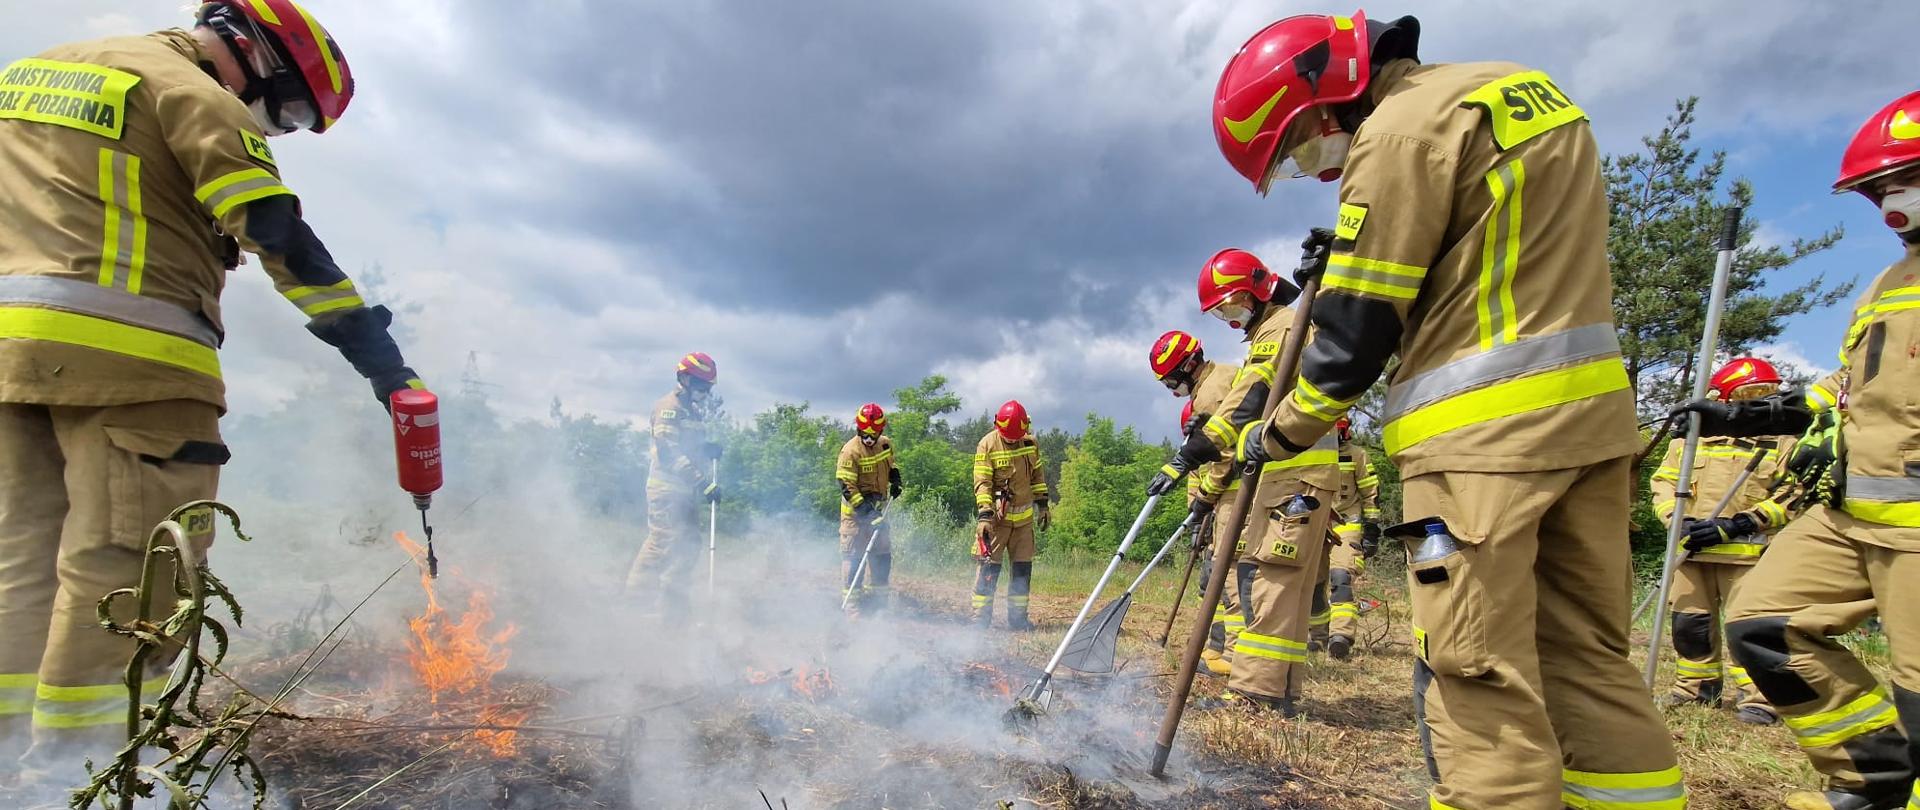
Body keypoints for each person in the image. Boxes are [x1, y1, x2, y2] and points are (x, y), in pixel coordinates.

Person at [1219, 12, 1683, 806]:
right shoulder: (1517, 93)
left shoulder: (1396, 132)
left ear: (1321, 100)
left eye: (1299, 148)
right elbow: (1484, 263)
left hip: (1476, 450)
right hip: (1592, 430)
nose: (1318, 171)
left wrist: (1278, 432)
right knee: (1587, 661)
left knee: (1470, 668)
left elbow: (1358, 330)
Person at [0, 0, 425, 779]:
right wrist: (383, 363)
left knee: (25, 558)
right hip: (136, 371)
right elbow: (275, 231)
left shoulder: (24, 77)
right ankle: (82, 772)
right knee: (135, 566)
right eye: (292, 110)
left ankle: (6, 762)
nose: (278, 127)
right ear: (256, 52)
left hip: (10, 363)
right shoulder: (189, 92)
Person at [1699, 90, 1920, 810]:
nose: (1890, 201)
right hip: (1854, 513)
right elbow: (1846, 385)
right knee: (1763, 623)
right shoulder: (1890, 281)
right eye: (1878, 188)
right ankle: (1874, 779)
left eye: (1905, 180)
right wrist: (1756, 413)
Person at [1147, 248, 1340, 716]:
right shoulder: (1274, 328)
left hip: (1291, 478)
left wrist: (1190, 456)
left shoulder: (1278, 328)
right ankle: (1278, 692)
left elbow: (1252, 399)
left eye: (1232, 307)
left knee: (1265, 582)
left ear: (1258, 289)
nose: (1232, 321)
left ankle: (1254, 694)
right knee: (1282, 587)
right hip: (1293, 478)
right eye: (1223, 313)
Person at [1649, 357, 1797, 725]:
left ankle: (1761, 698)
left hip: (1750, 554)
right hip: (1692, 551)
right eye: (1748, 394)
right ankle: (1695, 688)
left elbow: (1794, 494)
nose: (1757, 401)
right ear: (1721, 396)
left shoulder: (1781, 441)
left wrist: (1742, 523)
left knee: (1750, 628)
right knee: (1689, 624)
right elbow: (1663, 482)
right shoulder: (1690, 439)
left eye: (1765, 393)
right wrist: (1677, 520)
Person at [1149, 330, 1243, 677]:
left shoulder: (1215, 388)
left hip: (1237, 494)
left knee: (1230, 577)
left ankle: (1234, 658)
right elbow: (1199, 468)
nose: (1172, 388)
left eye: (1172, 379)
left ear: (1189, 365)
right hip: (1227, 497)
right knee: (1215, 576)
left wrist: (1204, 499)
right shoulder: (1213, 384)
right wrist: (1197, 507)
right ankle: (1219, 647)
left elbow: (1225, 458)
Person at [625, 353, 722, 620]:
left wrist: (707, 448)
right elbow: (668, 451)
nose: (705, 392)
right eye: (702, 386)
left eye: (708, 388)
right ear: (684, 379)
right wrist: (701, 481)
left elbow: (689, 447)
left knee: (689, 545)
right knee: (662, 544)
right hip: (666, 490)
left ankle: (673, 609)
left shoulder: (692, 411)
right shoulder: (669, 407)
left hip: (685, 492)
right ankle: (634, 606)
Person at [971, 400, 1049, 631]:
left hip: (1023, 524)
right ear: (998, 427)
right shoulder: (988, 444)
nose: (1014, 441)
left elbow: (1037, 476)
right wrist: (985, 515)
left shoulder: (1030, 442)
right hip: (997, 523)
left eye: (1017, 437)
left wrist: (1043, 505)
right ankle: (979, 621)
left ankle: (1018, 620)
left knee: (1022, 572)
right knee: (988, 571)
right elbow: (982, 483)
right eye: (1009, 438)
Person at [1317, 417, 1381, 660]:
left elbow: (1371, 494)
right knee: (1313, 584)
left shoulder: (1357, 455)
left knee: (1341, 577)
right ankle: (1318, 636)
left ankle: (1340, 637)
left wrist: (1372, 530)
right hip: (1317, 526)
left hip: (1346, 525)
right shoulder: (1312, 452)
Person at [836, 403, 900, 617]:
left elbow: (891, 465)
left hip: (878, 513)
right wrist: (866, 511)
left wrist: (895, 478)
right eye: (865, 433)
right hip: (855, 517)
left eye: (875, 433)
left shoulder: (885, 445)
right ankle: (852, 610)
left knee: (882, 556)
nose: (870, 438)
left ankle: (878, 606)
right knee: (855, 559)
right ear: (858, 428)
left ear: (881, 430)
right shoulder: (850, 451)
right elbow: (847, 487)